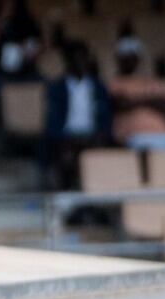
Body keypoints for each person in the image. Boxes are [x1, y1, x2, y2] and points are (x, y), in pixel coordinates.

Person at [41, 40, 112, 189]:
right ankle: (68, 195)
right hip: (67, 138)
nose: (80, 62)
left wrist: (101, 135)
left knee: (99, 151)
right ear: (68, 61)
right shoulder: (57, 88)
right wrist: (64, 138)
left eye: (83, 58)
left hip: (92, 136)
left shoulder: (98, 87)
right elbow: (52, 122)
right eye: (76, 58)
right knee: (65, 155)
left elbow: (106, 118)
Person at [108, 31, 165, 151]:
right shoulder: (114, 84)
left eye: (133, 57)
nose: (129, 61)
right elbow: (121, 104)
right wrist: (151, 101)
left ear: (139, 59)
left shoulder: (154, 82)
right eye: (125, 57)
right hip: (135, 138)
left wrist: (134, 101)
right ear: (119, 60)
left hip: (164, 136)